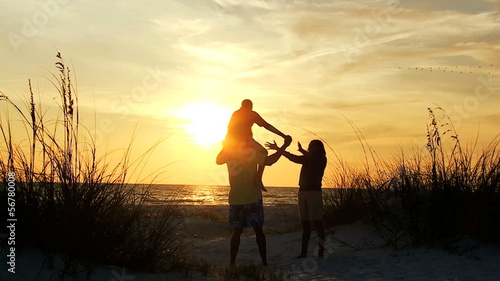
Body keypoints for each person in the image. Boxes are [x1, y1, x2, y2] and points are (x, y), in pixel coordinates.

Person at [217, 135, 292, 266]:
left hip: (236, 198)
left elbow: (218, 160)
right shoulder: (251, 153)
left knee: (237, 232)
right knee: (258, 231)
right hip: (252, 198)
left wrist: (226, 146)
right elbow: (269, 161)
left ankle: (232, 262)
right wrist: (284, 146)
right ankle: (264, 262)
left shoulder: (230, 153)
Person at [267, 139, 327, 258]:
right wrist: (280, 149)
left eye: (313, 146)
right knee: (305, 223)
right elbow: (294, 158)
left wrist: (282, 149)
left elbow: (306, 159)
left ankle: (321, 251)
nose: (311, 148)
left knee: (317, 223)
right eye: (310, 146)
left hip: (314, 192)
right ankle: (303, 253)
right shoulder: (307, 158)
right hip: (303, 191)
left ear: (319, 148)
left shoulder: (320, 159)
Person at [221, 99, 288, 192]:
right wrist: (283, 135)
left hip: (233, 141)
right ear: (250, 107)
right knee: (264, 152)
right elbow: (266, 125)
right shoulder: (251, 114)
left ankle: (257, 177)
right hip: (245, 140)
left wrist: (226, 144)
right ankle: (258, 178)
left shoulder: (236, 113)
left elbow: (229, 129)